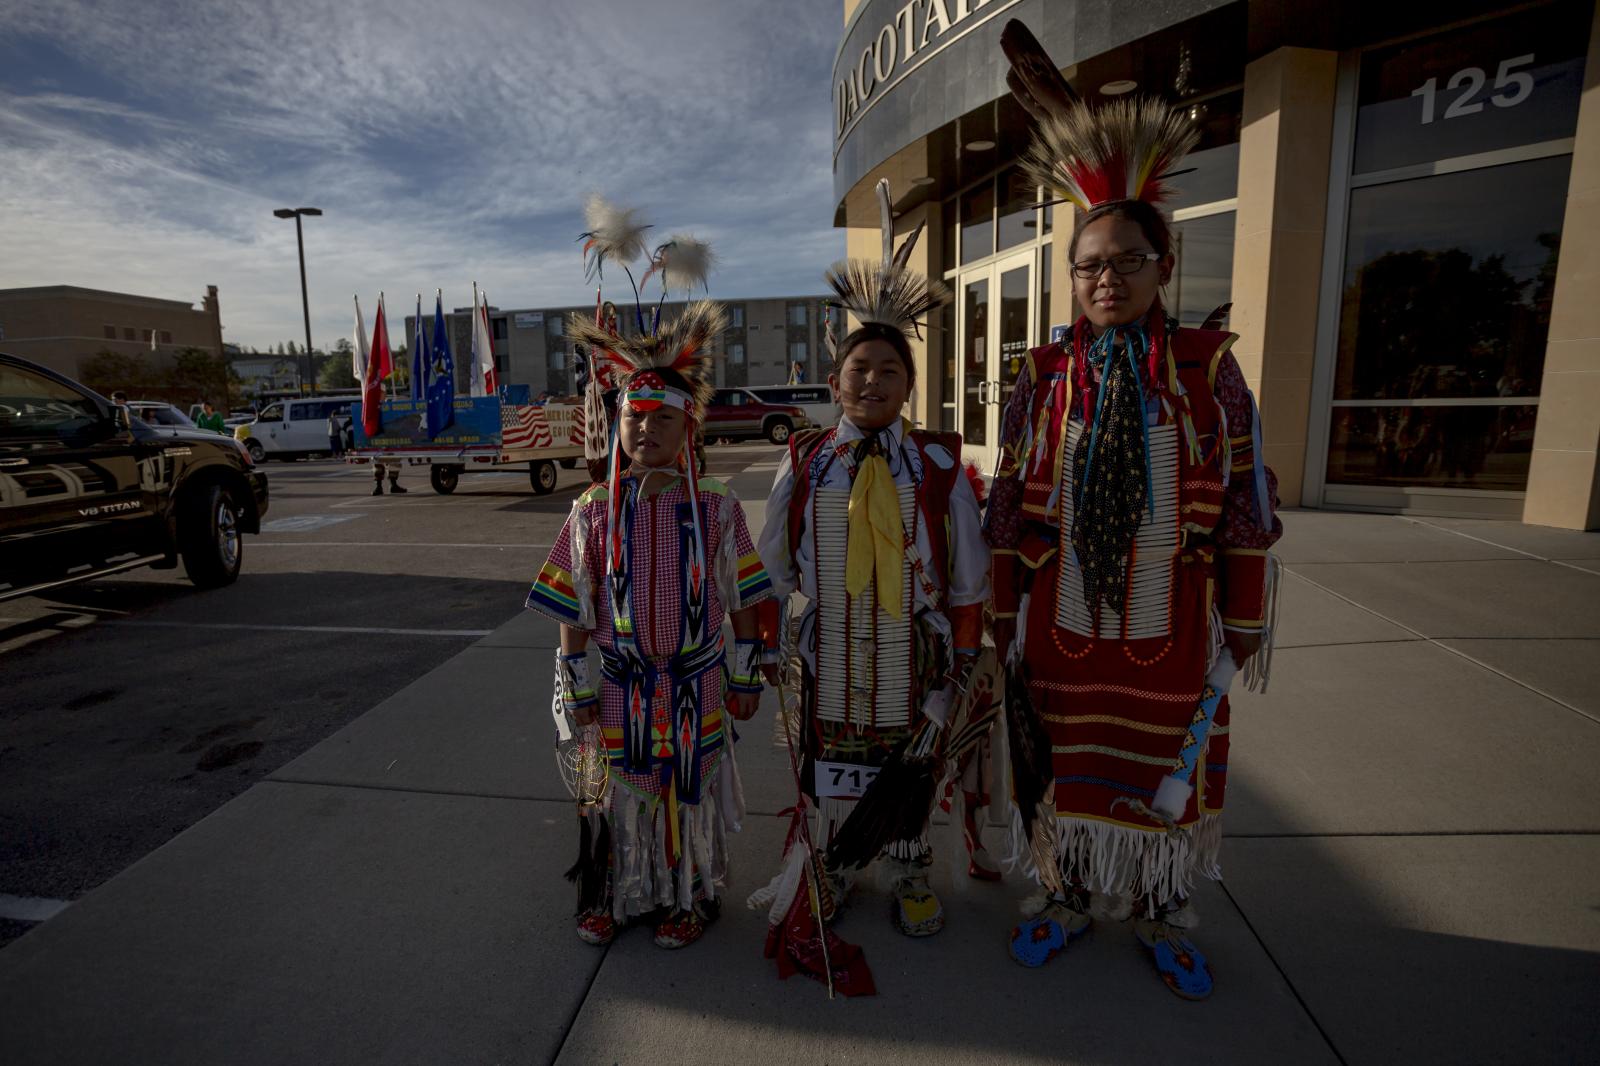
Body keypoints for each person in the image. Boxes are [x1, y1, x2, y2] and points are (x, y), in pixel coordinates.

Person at [985, 36, 1282, 999]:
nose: (1105, 279)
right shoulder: (1041, 375)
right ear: (1069, 275)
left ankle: (1157, 903)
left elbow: (1243, 504)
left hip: (1172, 619)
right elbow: (1006, 508)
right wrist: (1002, 616)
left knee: (1166, 768)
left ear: (1163, 265)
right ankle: (1068, 894)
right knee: (1064, 766)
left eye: (1126, 261)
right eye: (1088, 266)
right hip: (1066, 623)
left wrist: (1241, 626)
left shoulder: (1204, 369)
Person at [528, 199, 772, 950]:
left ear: (688, 429)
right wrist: (577, 682)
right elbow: (575, 601)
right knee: (611, 796)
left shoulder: (720, 510)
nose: (645, 430)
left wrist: (743, 672)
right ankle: (615, 893)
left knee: (687, 794)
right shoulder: (594, 509)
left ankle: (690, 897)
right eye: (634, 418)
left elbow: (740, 603)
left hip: (695, 681)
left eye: (662, 419)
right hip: (622, 682)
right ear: (619, 424)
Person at [756, 179, 988, 943]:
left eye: (890, 371)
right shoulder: (807, 461)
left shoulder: (937, 467)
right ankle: (833, 863)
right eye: (860, 370)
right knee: (832, 766)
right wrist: (764, 645)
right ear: (835, 383)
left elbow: (966, 581)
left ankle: (911, 870)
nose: (873, 381)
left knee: (912, 767)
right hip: (830, 651)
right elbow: (770, 568)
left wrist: (957, 668)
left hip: (910, 656)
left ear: (910, 386)